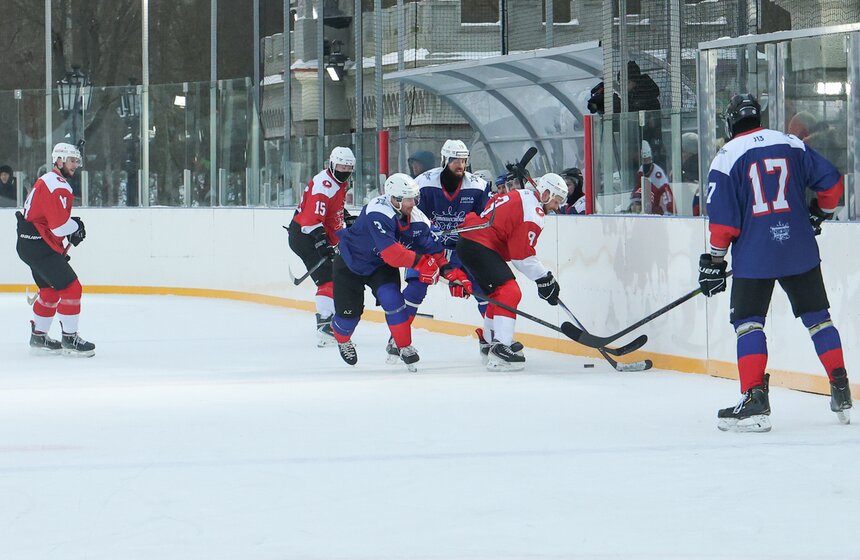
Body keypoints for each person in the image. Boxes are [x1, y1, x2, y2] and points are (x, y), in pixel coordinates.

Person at [698, 93, 852, 433]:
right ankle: (840, 386)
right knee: (819, 320)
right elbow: (832, 183)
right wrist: (818, 213)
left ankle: (754, 399)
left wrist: (714, 260)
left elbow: (724, 224)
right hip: (799, 247)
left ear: (730, 121)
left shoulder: (725, 157)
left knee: (749, 323)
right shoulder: (792, 143)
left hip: (755, 255)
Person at [331, 173, 473, 369]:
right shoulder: (377, 211)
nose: (412, 203)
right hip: (350, 262)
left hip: (380, 266)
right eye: (407, 199)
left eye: (414, 198)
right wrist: (422, 264)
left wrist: (451, 273)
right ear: (393, 199)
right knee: (348, 318)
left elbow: (434, 250)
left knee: (393, 300)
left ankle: (403, 345)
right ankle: (342, 338)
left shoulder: (418, 219)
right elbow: (391, 253)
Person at [455, 173, 567, 371]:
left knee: (499, 294)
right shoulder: (533, 214)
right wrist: (544, 279)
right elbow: (521, 257)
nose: (557, 207)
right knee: (510, 292)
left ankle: (489, 341)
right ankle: (501, 347)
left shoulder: (523, 194)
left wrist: (543, 281)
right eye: (556, 201)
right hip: (479, 244)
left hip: (471, 242)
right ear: (546, 194)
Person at [15, 143, 94, 357]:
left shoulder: (46, 181)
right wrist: (76, 226)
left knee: (49, 291)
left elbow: (46, 220)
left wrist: (70, 227)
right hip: (41, 246)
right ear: (58, 160)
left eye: (76, 161)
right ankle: (70, 338)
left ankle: (39, 336)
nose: (75, 165)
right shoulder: (58, 185)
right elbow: (58, 226)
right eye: (71, 160)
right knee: (72, 288)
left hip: (28, 244)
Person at [410, 140, 491, 349]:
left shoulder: (478, 186)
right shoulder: (423, 184)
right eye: (455, 160)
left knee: (484, 288)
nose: (460, 165)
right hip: (430, 247)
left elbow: (486, 220)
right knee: (415, 289)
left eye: (463, 160)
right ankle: (397, 339)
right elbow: (412, 218)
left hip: (464, 249)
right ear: (445, 160)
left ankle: (493, 338)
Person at [288, 146, 356, 347]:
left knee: (337, 277)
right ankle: (325, 325)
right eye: (341, 166)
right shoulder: (324, 185)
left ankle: (330, 321)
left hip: (317, 235)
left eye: (348, 167)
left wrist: (346, 217)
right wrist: (322, 244)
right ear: (332, 164)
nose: (345, 171)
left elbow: (332, 207)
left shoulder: (337, 182)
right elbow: (310, 221)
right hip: (306, 236)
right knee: (328, 279)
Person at [625, 61, 664, 164]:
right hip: (646, 139)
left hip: (646, 138)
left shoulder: (643, 97)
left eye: (626, 82)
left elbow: (652, 123)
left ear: (631, 81)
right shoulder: (641, 94)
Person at [629, 140, 674, 215]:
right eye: (643, 160)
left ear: (651, 159)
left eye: (647, 160)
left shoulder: (658, 174)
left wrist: (669, 209)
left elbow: (667, 194)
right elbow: (638, 188)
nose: (645, 162)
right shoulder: (640, 171)